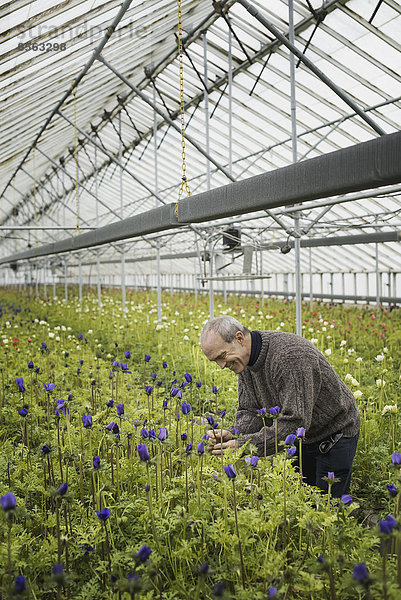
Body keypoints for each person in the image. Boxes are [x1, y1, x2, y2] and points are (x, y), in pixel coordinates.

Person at [200, 315, 360, 497]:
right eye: (215, 361)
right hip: (303, 437)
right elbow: (251, 411)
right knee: (304, 500)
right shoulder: (244, 361)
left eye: (222, 356)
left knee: (329, 504)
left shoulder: (290, 356)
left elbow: (295, 422)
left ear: (239, 338)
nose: (221, 366)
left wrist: (242, 445)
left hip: (333, 433)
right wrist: (234, 433)